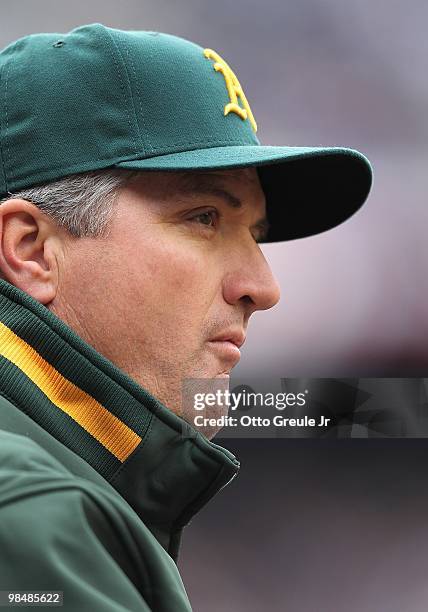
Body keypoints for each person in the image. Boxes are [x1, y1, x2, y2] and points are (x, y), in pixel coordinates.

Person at [0, 23, 372, 611]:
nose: (264, 287)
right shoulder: (30, 506)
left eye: (256, 234)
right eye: (203, 217)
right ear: (32, 250)